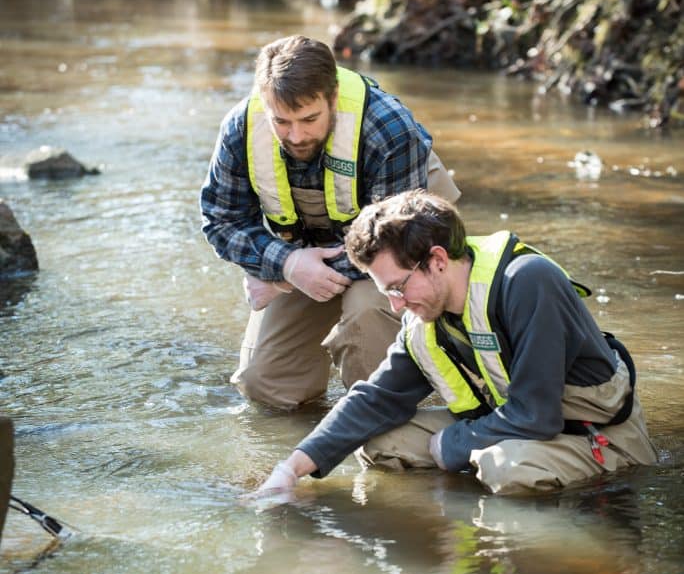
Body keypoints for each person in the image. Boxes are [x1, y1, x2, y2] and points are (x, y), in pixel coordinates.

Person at [256, 189, 657, 497]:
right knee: (379, 442)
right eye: (387, 293)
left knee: (507, 468)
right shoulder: (425, 316)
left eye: (398, 287)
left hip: (594, 435)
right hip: (513, 426)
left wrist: (454, 444)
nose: (396, 307)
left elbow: (538, 416)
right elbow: (373, 400)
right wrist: (289, 470)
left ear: (437, 260)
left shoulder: (528, 282)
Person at [200, 35, 461, 410]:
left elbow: (398, 243)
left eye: (309, 119)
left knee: (366, 316)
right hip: (308, 249)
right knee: (265, 385)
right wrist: (287, 266)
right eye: (281, 121)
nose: (296, 135)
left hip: (402, 244)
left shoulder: (388, 128)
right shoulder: (241, 128)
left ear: (333, 98)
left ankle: (382, 415)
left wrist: (284, 277)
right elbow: (221, 219)